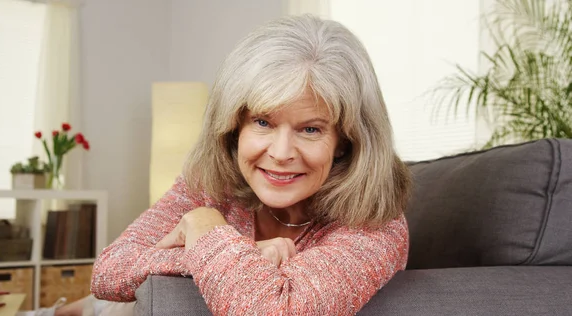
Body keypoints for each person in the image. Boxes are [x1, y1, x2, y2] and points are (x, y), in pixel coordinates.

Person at [38, 13, 411, 316]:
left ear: (346, 140)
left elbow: (274, 311)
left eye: (310, 129)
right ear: (234, 126)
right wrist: (232, 256)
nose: (281, 152)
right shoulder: (209, 182)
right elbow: (108, 272)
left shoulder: (376, 226)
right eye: (262, 122)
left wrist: (206, 227)